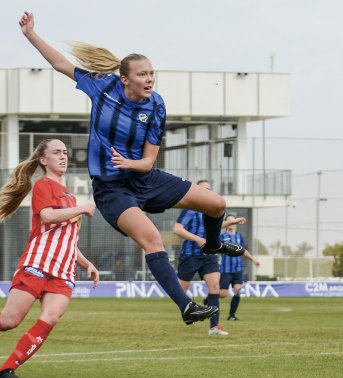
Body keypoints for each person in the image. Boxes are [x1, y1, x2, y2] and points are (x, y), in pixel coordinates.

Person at [20, 11, 245, 326]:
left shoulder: (157, 105)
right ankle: (187, 307)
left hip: (145, 178)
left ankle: (212, 242)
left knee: (217, 204)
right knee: (152, 239)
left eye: (152, 73)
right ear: (125, 78)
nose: (149, 79)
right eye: (143, 74)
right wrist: (31, 34)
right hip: (112, 190)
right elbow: (61, 64)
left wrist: (130, 163)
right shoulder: (102, 88)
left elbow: (150, 159)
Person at [0, 139, 99, 378]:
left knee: (51, 316)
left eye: (65, 152)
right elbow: (47, 216)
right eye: (56, 152)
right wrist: (82, 209)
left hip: (63, 271)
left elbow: (67, 239)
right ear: (44, 160)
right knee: (8, 320)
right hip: (38, 263)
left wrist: (86, 263)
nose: (63, 156)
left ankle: (6, 370)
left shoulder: (70, 197)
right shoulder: (44, 185)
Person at [172, 182, 246, 336]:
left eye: (209, 189)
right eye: (203, 189)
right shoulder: (190, 210)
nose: (207, 192)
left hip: (210, 255)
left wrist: (231, 222)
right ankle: (189, 312)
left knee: (215, 287)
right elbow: (177, 229)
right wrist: (198, 239)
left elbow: (215, 227)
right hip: (190, 255)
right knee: (181, 291)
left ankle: (214, 327)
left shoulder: (212, 210)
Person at [218, 214, 260, 321]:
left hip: (237, 269)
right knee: (223, 294)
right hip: (225, 269)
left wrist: (253, 259)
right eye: (229, 221)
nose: (232, 223)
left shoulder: (239, 236)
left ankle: (231, 315)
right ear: (227, 223)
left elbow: (243, 251)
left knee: (237, 290)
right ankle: (210, 297)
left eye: (233, 220)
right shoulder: (221, 236)